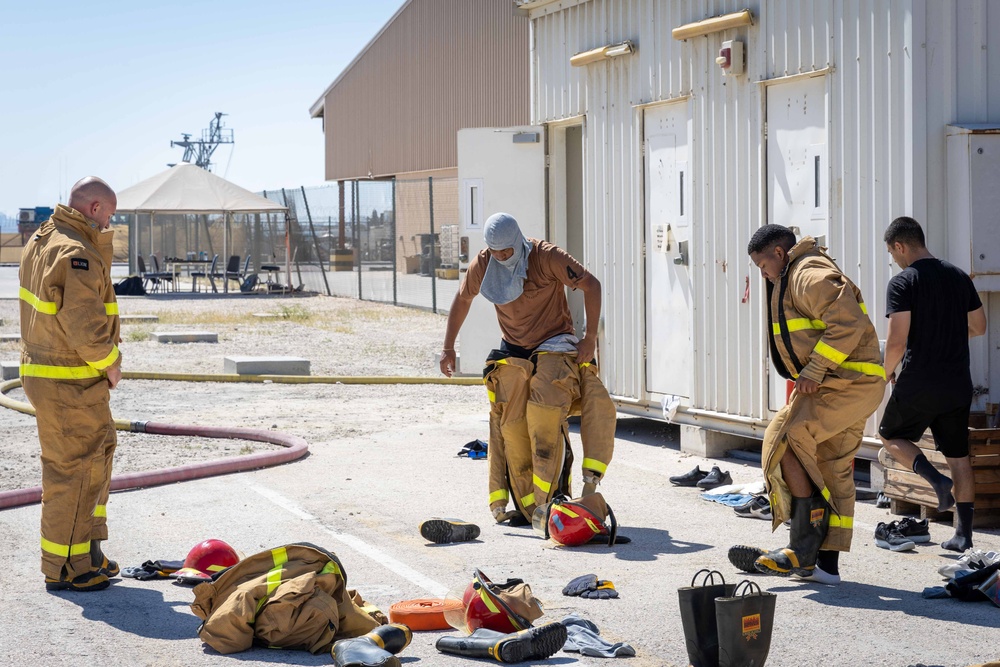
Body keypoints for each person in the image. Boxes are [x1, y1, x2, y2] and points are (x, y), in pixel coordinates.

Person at [731, 224, 886, 585]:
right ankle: (824, 567)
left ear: (780, 254)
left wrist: (815, 369)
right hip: (854, 383)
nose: (763, 274)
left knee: (784, 440)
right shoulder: (799, 272)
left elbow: (847, 323)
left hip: (844, 383)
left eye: (762, 265)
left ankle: (802, 546)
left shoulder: (808, 274)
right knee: (831, 468)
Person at [439, 212, 617, 525]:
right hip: (515, 347)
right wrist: (448, 347)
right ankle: (530, 507)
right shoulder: (484, 263)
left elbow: (592, 285)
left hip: (554, 341)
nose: (500, 257)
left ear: (518, 243)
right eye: (495, 252)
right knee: (511, 424)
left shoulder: (546, 257)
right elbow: (463, 299)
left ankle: (569, 494)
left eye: (506, 252)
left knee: (544, 411)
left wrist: (589, 338)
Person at [19, 177, 122, 592]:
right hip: (70, 380)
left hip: (54, 375)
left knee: (98, 455)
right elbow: (84, 325)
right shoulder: (76, 251)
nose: (108, 224)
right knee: (76, 471)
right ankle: (68, 566)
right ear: (95, 208)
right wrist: (111, 363)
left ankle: (89, 550)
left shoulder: (45, 238)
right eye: (109, 216)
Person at [878, 216, 987, 552]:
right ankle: (963, 536)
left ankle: (936, 481)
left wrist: (883, 374)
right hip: (957, 382)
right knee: (959, 457)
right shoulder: (957, 276)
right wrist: (949, 336)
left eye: (892, 253)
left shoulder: (903, 282)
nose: (894, 260)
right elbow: (979, 326)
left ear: (899, 246)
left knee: (890, 435)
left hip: (919, 380)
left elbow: (897, 340)